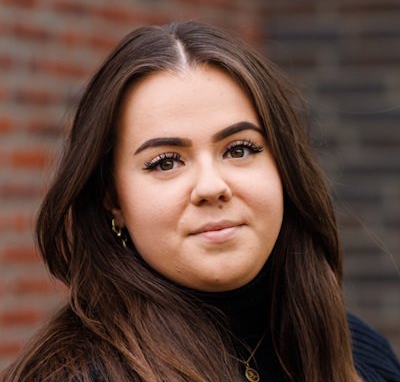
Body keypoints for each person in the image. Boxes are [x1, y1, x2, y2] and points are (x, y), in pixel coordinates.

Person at [2, 21, 399, 382]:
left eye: (239, 149)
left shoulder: (361, 356)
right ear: (113, 199)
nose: (211, 186)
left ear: (284, 169)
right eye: (165, 162)